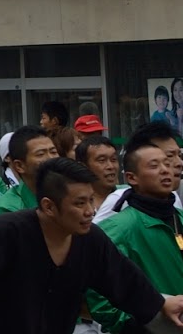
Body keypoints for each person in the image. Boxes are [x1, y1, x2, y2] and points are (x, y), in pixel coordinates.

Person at [0, 157, 183, 333]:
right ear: (49, 206)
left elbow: (125, 281)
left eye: (90, 200)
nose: (90, 211)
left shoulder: (90, 239)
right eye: (79, 203)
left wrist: (161, 304)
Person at [88, 138, 183, 332]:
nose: (165, 170)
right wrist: (142, 320)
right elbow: (96, 294)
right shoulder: (118, 229)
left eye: (167, 163)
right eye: (154, 166)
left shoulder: (178, 217)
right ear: (132, 178)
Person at [95, 121, 183, 222]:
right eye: (169, 156)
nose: (179, 163)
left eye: (179, 155)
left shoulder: (173, 198)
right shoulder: (119, 201)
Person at [0, 126, 57, 217]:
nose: (51, 158)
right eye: (40, 154)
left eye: (53, 152)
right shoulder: (7, 210)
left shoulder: (65, 196)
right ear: (19, 166)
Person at [72, 134, 119, 204]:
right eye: (102, 160)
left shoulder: (128, 197)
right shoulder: (74, 202)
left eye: (113, 159)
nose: (110, 166)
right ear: (83, 166)